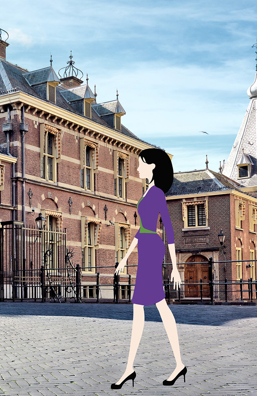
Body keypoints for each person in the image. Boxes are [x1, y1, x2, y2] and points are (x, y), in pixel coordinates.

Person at [111, 148, 186, 389]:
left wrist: (175, 267)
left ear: (152, 166)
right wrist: (124, 258)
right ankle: (171, 364)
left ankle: (133, 368)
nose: (137, 168)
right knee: (154, 307)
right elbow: (141, 229)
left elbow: (169, 231)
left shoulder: (157, 195)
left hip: (152, 251)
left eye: (141, 163)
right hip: (145, 247)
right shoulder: (148, 193)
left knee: (149, 307)